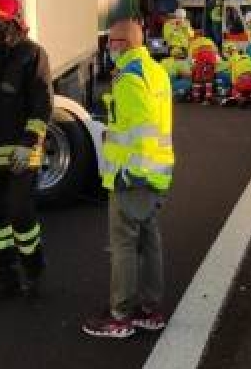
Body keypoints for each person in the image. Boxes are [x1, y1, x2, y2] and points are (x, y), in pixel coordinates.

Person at [83, 19, 174, 339]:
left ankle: (120, 315)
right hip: (156, 170)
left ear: (123, 43)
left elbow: (137, 128)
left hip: (132, 173)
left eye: (111, 42)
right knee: (150, 242)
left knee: (123, 245)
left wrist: (125, 170)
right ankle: (150, 310)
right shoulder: (156, 71)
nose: (109, 48)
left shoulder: (128, 79)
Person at [0, 0, 53, 299]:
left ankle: (34, 267)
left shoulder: (34, 54)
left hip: (22, 150)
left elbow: (42, 103)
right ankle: (5, 276)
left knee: (20, 213)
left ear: (13, 23)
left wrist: (29, 142)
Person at [221, 42, 251, 107]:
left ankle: (239, 98)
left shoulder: (234, 63)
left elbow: (234, 81)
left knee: (235, 89)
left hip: (242, 82)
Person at [186, 31, 220, 104]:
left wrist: (193, 68)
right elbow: (216, 52)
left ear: (195, 36)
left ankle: (196, 97)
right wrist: (215, 64)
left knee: (197, 80)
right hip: (210, 60)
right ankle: (208, 97)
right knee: (209, 80)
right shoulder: (209, 40)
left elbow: (190, 57)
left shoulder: (193, 43)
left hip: (200, 60)